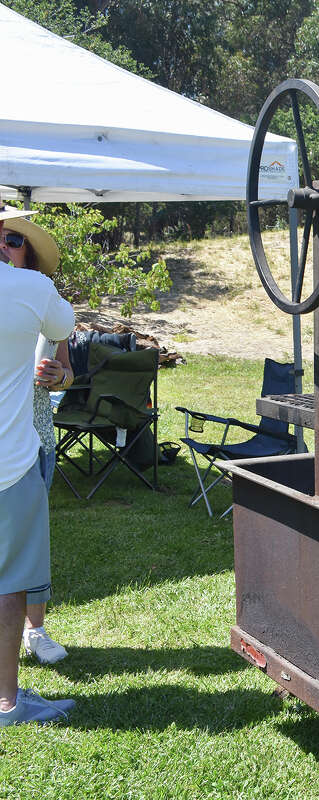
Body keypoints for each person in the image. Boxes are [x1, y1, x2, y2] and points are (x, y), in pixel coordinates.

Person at [0, 206, 75, 725]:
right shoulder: (31, 292)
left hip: (25, 447)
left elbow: (65, 360)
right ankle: (6, 701)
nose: (7, 243)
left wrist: (59, 376)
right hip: (9, 463)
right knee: (9, 582)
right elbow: (63, 319)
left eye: (14, 237)